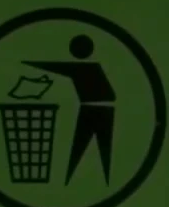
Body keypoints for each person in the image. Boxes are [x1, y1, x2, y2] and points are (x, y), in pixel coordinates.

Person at [24, 34, 116, 185]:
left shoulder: (86, 68)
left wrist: (30, 63)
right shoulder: (88, 68)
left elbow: (62, 68)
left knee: (89, 148)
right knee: (83, 149)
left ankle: (98, 180)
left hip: (97, 110)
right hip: (95, 108)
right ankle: (72, 179)